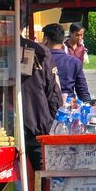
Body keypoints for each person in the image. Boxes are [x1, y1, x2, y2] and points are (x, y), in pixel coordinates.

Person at [20, 35, 62, 172]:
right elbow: (54, 92)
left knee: (16, 176)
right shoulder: (41, 52)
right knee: (44, 175)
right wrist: (54, 122)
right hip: (38, 124)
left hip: (14, 127)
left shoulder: (40, 52)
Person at [42, 23, 90, 103]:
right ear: (63, 39)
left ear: (46, 39)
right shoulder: (75, 62)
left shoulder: (40, 61)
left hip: (45, 106)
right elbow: (83, 91)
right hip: (68, 106)